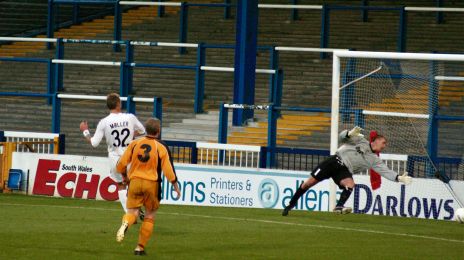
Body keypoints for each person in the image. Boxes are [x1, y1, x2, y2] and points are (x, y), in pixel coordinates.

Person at [282, 126, 412, 216]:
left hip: (344, 170)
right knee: (308, 184)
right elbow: (342, 138)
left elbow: (386, 171)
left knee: (350, 185)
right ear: (376, 141)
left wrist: (399, 178)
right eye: (383, 143)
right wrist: (349, 133)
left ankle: (339, 207)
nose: (384, 146)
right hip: (334, 161)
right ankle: (291, 204)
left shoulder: (374, 160)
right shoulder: (361, 140)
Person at [115, 117, 181, 256]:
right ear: (158, 131)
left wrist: (124, 177)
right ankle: (140, 247)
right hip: (151, 184)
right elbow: (168, 169)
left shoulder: (134, 143)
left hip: (135, 182)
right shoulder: (161, 147)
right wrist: (175, 184)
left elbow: (121, 164)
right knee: (150, 215)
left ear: (146, 130)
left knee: (132, 212)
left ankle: (125, 224)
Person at [79, 93, 146, 217]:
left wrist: (85, 131)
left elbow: (94, 143)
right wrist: (131, 135)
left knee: (121, 185)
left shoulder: (104, 122)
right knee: (133, 183)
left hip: (115, 158)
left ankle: (130, 214)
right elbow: (143, 131)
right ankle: (136, 206)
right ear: (118, 104)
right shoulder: (130, 117)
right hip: (130, 156)